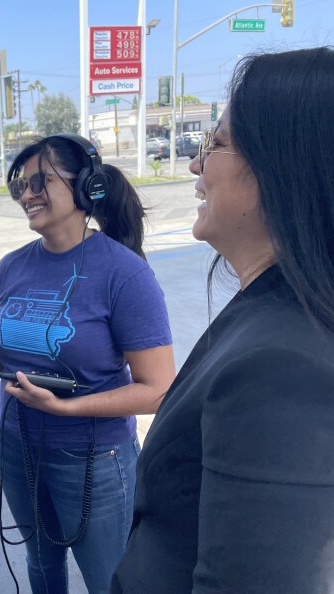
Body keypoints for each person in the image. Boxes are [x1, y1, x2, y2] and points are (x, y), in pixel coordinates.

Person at [112, 47, 334, 593]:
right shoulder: (276, 311)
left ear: (283, 163)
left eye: (215, 144)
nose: (194, 165)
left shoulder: (281, 365)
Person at [0, 134, 175, 593]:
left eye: (41, 182)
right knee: (41, 566)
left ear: (86, 186)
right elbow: (26, 358)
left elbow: (158, 388)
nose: (27, 195)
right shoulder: (12, 266)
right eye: (20, 187)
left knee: (109, 580)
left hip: (91, 458)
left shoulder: (124, 272)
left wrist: (66, 409)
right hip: (15, 444)